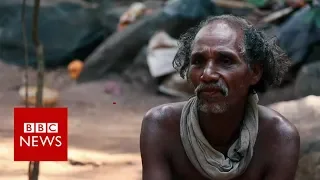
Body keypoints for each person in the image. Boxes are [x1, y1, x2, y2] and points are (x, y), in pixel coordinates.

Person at [140, 15, 300, 180]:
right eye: (198, 61)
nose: (207, 74)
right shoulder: (162, 126)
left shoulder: (278, 137)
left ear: (255, 72)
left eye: (225, 61)